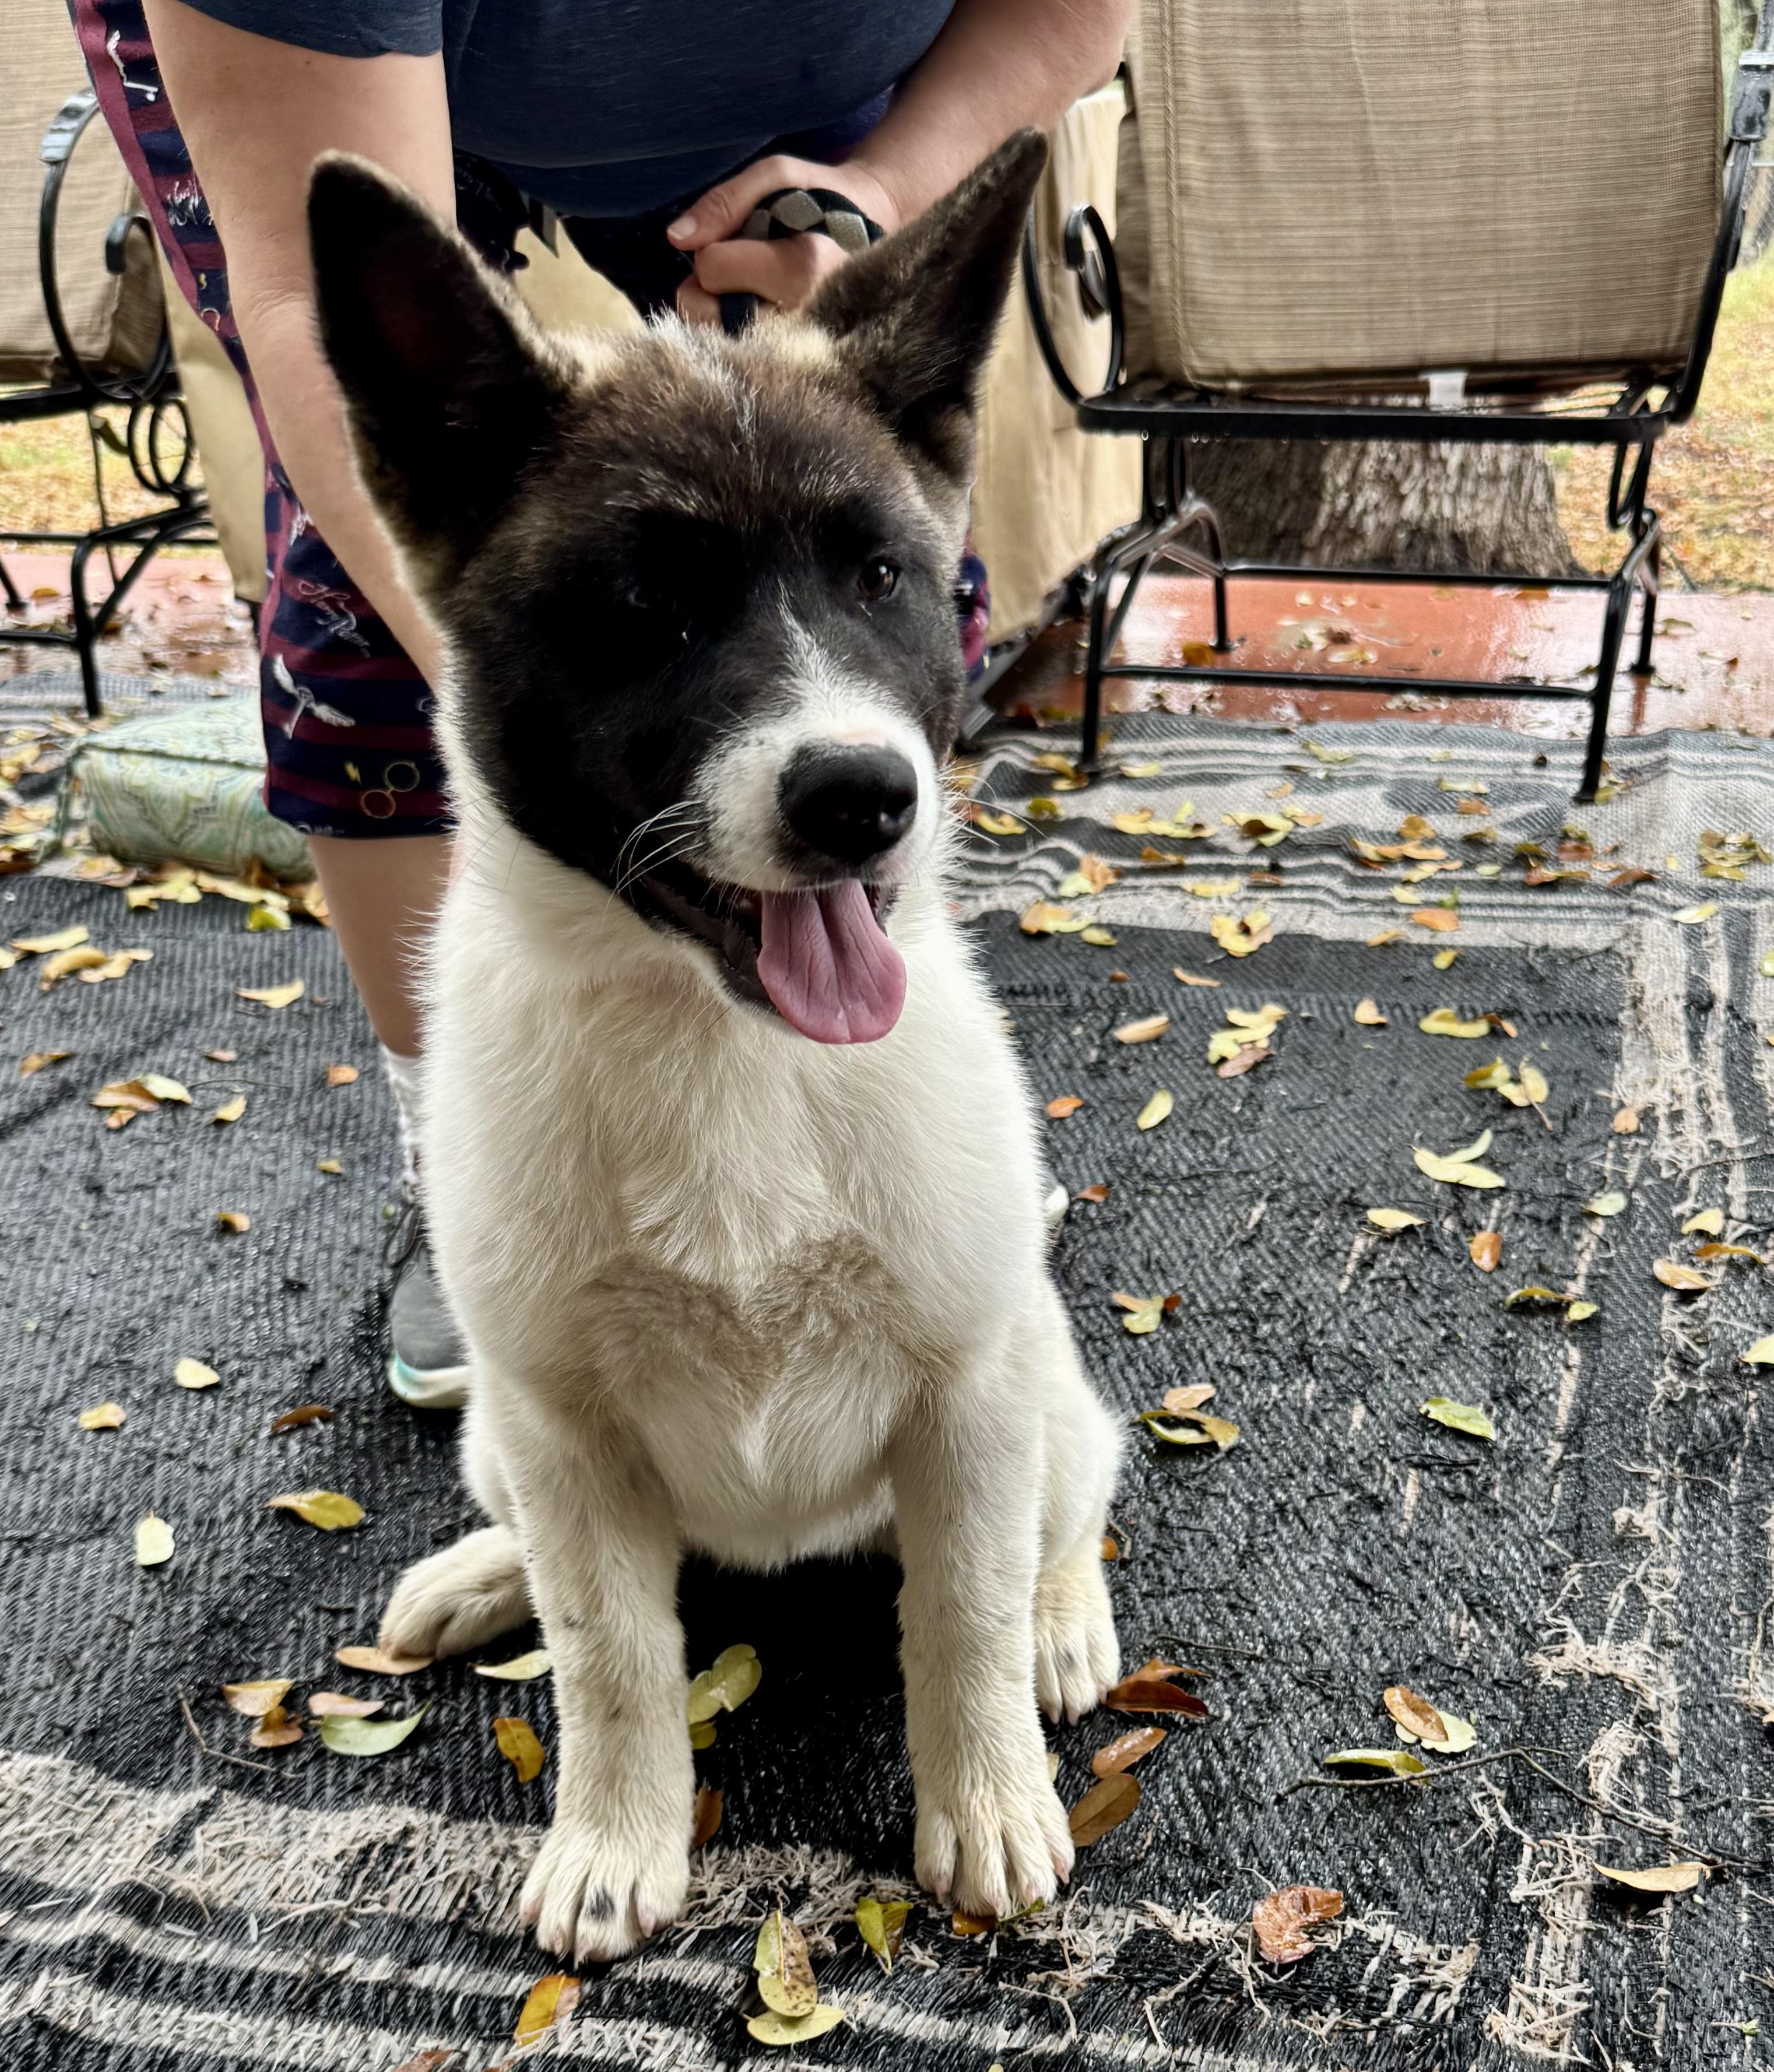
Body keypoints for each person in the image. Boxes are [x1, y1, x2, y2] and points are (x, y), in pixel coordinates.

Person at [74, 0, 1133, 1406]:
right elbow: (296, 293)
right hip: (347, 91)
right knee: (374, 603)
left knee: (840, 514)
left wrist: (874, 196)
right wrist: (501, 665)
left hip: (798, 126)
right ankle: (471, 1182)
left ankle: (901, 1171)